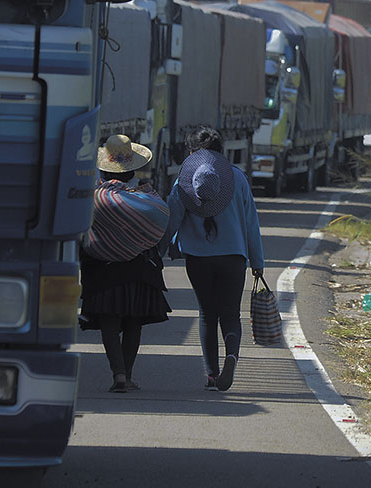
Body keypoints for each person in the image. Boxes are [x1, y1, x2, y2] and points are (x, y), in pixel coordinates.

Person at [164, 127, 265, 392]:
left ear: (191, 153)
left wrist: (158, 250)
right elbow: (251, 223)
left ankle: (211, 374)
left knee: (207, 315)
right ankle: (231, 354)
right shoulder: (237, 178)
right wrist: (258, 261)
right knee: (231, 314)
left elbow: (171, 220)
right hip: (233, 257)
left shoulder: (183, 182)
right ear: (222, 152)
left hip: (198, 259)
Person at [79, 134, 172, 393]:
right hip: (139, 269)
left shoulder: (95, 195)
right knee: (133, 323)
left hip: (103, 269)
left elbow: (81, 229)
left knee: (110, 324)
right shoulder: (146, 194)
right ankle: (127, 376)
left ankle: (118, 374)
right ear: (133, 166)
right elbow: (161, 219)